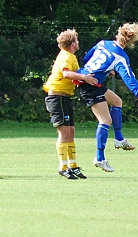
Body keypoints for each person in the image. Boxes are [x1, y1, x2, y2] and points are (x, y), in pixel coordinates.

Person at [75, 22, 138, 172]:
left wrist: (104, 70)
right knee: (105, 120)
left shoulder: (103, 43)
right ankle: (99, 158)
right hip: (90, 85)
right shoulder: (120, 56)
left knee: (117, 101)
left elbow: (87, 58)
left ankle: (119, 139)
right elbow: (128, 76)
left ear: (118, 33)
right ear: (132, 40)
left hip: (88, 78)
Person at [42, 29, 97, 180]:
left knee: (71, 131)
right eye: (76, 41)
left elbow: (78, 73)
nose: (78, 43)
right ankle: (63, 167)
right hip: (56, 97)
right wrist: (84, 77)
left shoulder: (71, 56)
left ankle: (73, 165)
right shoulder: (66, 56)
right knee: (64, 132)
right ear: (72, 43)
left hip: (65, 97)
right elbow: (66, 74)